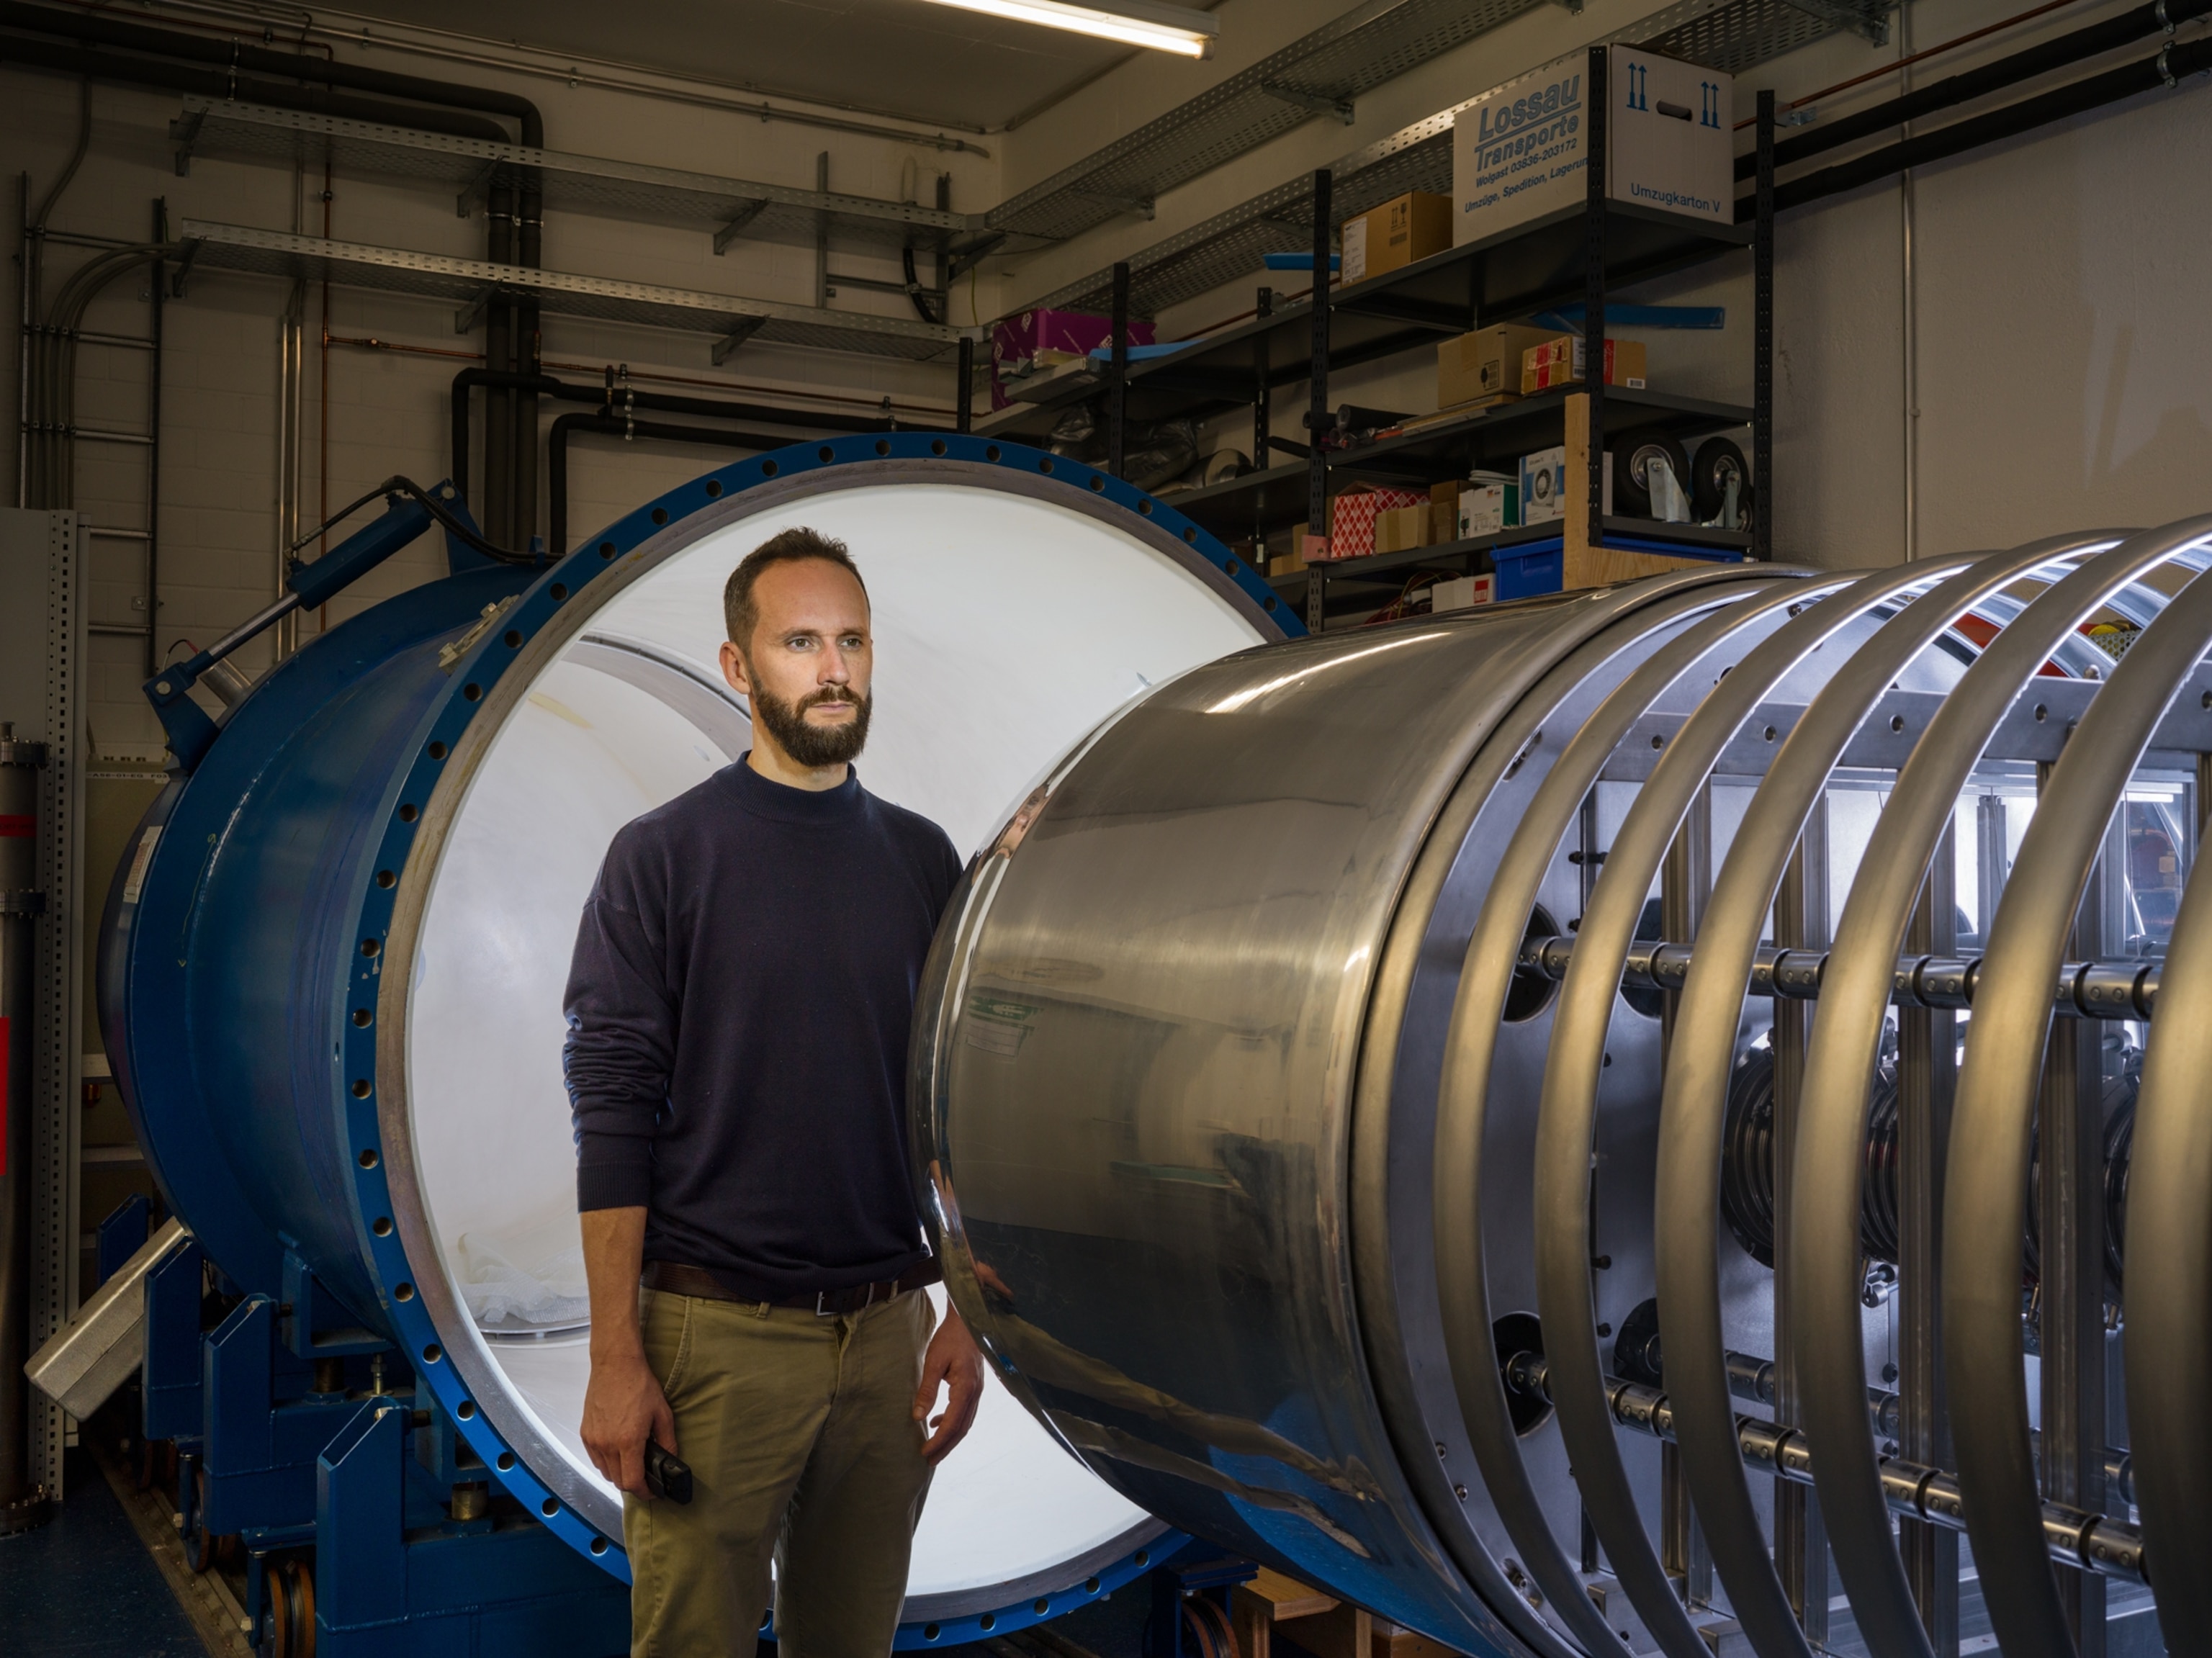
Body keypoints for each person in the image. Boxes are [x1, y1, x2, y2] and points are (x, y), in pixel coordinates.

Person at [563, 526, 986, 1658]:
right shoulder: (662, 857)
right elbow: (611, 1109)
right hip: (717, 1341)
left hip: (888, 1334)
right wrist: (617, 1356)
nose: (833, 668)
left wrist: (964, 1310)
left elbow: (943, 1098)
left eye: (850, 641)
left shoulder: (920, 857)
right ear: (739, 666)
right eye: (799, 642)